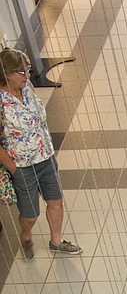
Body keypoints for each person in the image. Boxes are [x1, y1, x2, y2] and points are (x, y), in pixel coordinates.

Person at [0, 49, 81, 259]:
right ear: (7, 74)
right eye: (21, 72)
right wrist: (13, 168)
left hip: (45, 157)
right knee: (31, 214)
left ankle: (56, 241)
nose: (26, 76)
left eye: (27, 71)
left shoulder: (27, 88)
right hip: (22, 166)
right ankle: (26, 235)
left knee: (56, 201)